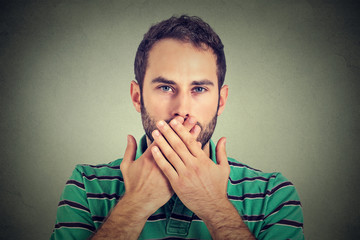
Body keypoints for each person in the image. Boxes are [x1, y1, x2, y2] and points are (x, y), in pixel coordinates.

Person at [50, 15, 304, 240]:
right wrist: (135, 204)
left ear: (221, 101)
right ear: (137, 97)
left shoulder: (273, 194)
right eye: (165, 87)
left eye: (199, 89)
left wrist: (213, 205)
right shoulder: (86, 185)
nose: (182, 108)